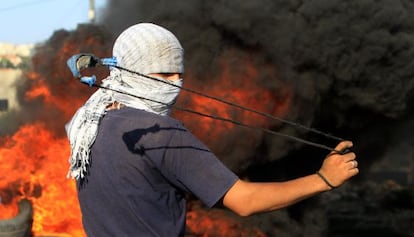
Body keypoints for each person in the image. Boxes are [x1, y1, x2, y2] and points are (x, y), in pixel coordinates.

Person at [65, 23, 359, 237]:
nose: (176, 83)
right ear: (129, 70)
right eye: (165, 74)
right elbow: (245, 202)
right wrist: (324, 179)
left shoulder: (89, 124)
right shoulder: (160, 132)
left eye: (180, 73)